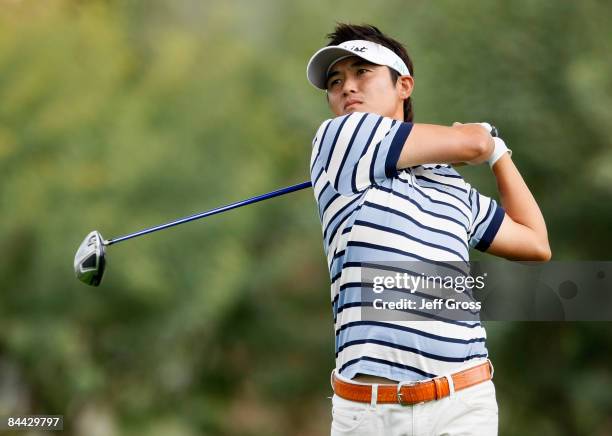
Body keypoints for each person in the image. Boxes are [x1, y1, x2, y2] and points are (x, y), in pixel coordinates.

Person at [306, 23, 550, 435]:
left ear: (404, 85)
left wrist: (500, 154)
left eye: (362, 72)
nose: (347, 87)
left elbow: (535, 241)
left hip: (463, 402)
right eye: (335, 81)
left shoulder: (447, 184)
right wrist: (482, 139)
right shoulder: (341, 136)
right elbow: (471, 143)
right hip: (370, 411)